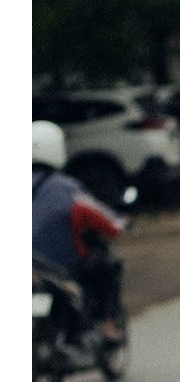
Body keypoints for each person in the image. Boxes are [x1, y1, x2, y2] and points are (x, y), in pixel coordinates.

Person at [32, 120, 126, 338]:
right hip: (63, 266)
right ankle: (107, 323)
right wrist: (121, 223)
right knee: (108, 265)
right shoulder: (67, 188)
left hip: (32, 269)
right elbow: (109, 223)